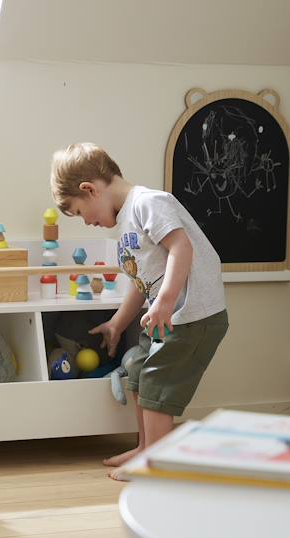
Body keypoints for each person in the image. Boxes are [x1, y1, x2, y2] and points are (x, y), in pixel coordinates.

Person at [50, 142, 228, 479]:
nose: (86, 222)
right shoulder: (126, 224)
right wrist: (117, 323)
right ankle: (146, 448)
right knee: (137, 367)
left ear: (89, 189)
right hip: (168, 315)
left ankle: (155, 464)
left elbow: (181, 247)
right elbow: (141, 279)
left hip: (193, 316)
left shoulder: (148, 203)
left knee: (158, 379)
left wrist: (164, 301)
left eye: (78, 212)